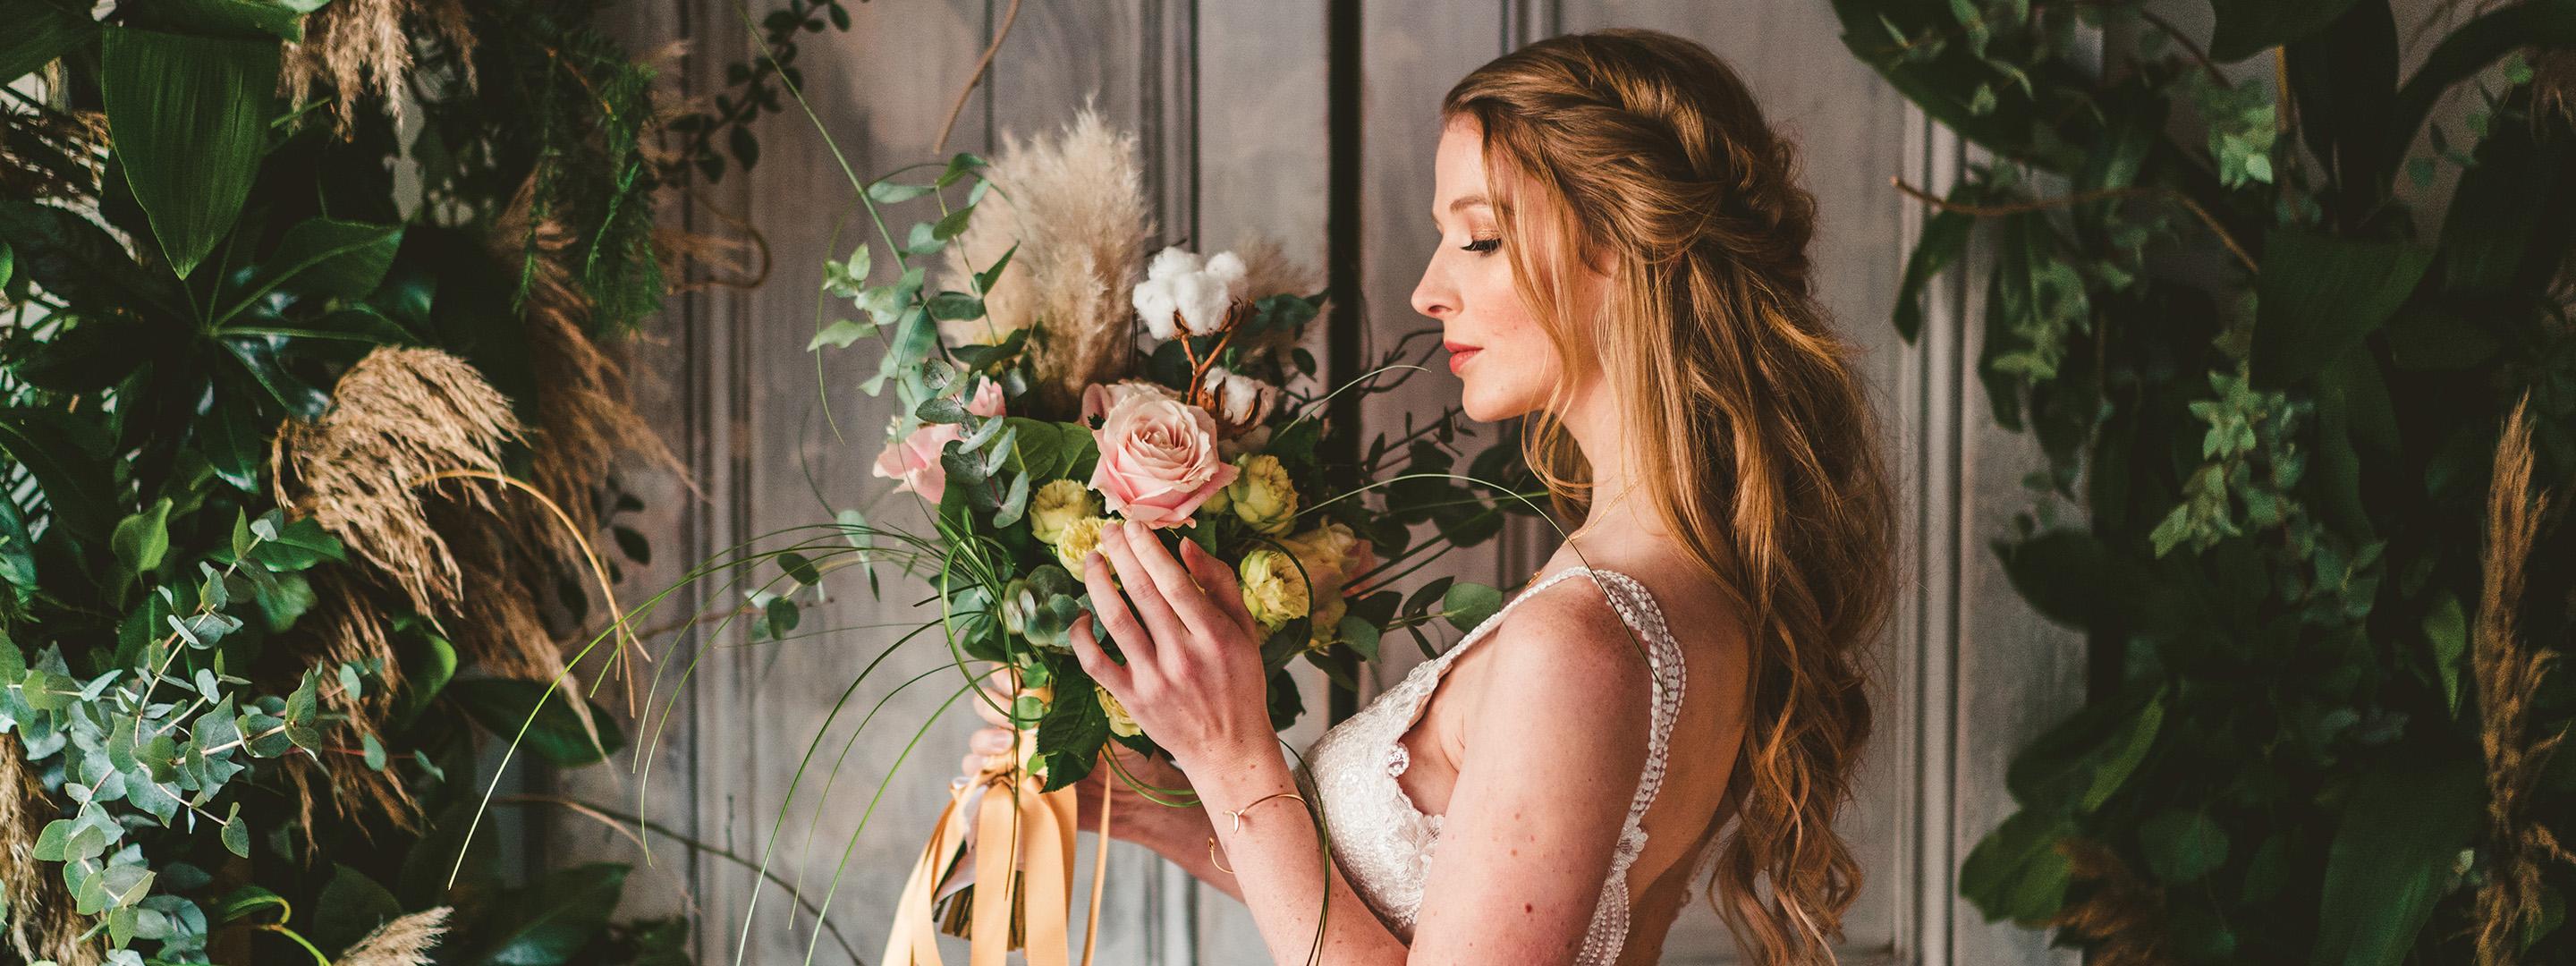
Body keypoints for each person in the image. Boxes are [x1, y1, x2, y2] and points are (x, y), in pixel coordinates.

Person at [960, 28, 1894, 965]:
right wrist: (1163, 807)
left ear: (1626, 243)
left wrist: (1233, 754)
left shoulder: (1585, 641)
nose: (1426, 289)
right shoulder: (1673, 583)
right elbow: (1427, 919)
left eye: (1479, 239)